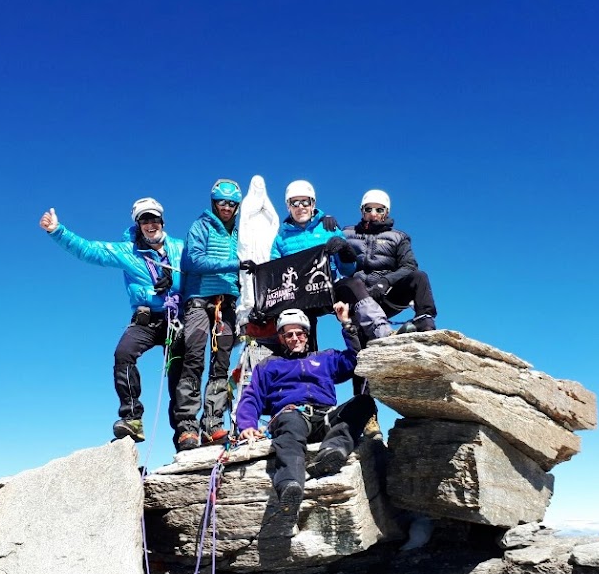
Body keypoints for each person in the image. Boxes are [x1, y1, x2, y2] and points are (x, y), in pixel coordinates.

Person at [39, 198, 184, 443]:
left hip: (177, 320)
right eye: (144, 220)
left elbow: (200, 272)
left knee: (180, 374)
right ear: (138, 225)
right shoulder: (127, 252)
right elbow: (88, 250)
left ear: (162, 221)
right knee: (124, 354)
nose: (151, 224)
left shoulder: (181, 248)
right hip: (146, 319)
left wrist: (177, 287)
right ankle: (132, 419)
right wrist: (57, 230)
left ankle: (184, 433)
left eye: (154, 218)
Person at [236, 305, 377, 517]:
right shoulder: (269, 365)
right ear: (281, 338)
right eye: (288, 334)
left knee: (363, 403)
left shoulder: (325, 358)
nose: (295, 338)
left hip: (325, 416)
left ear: (306, 335)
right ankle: (289, 485)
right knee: (291, 424)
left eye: (299, 333)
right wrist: (247, 425)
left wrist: (346, 324)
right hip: (291, 414)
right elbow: (252, 395)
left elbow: (356, 359)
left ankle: (332, 451)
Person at [176, 179, 257, 451]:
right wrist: (235, 263)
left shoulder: (241, 231)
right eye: (222, 202)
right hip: (199, 300)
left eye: (232, 203)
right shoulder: (200, 226)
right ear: (214, 202)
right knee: (194, 358)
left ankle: (212, 423)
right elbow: (192, 260)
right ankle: (187, 426)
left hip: (228, 304)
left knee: (221, 363)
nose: (227, 207)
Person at [271, 180, 393, 342]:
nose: (301, 207)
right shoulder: (281, 238)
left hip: (328, 288)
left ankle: (381, 331)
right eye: (295, 202)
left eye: (305, 201)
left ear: (312, 203)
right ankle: (305, 361)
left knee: (353, 284)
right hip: (299, 295)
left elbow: (347, 270)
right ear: (288, 206)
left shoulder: (328, 228)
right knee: (298, 321)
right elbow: (274, 273)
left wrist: (345, 250)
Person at [343, 189, 438, 333]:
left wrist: (384, 283)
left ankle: (424, 319)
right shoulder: (346, 234)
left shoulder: (398, 237)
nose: (373, 213)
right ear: (362, 211)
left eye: (379, 209)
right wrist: (326, 222)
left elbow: (409, 266)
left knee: (419, 277)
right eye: (369, 209)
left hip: (387, 297)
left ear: (386, 212)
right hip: (358, 300)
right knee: (362, 345)